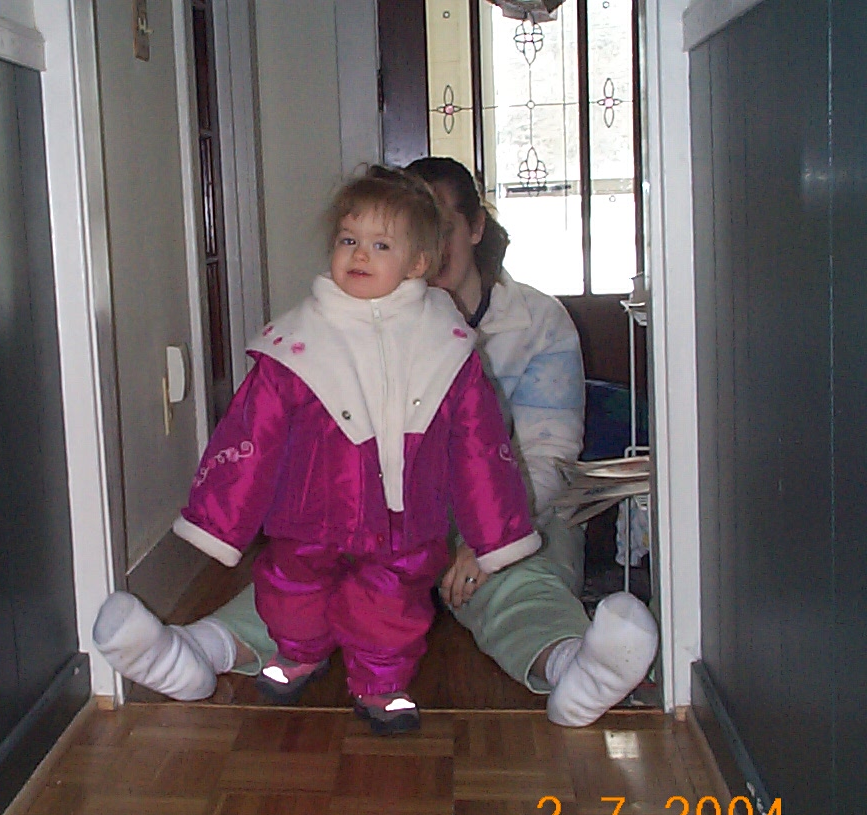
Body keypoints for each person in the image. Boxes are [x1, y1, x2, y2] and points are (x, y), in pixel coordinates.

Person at [94, 157, 659, 729]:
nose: (367, 253)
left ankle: (572, 666)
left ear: (468, 231)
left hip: (502, 504)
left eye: (416, 230)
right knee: (297, 583)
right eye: (354, 238)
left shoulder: (534, 322)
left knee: (523, 580)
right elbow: (260, 432)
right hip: (362, 514)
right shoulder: (323, 328)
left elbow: (544, 452)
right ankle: (196, 652)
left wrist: (489, 542)